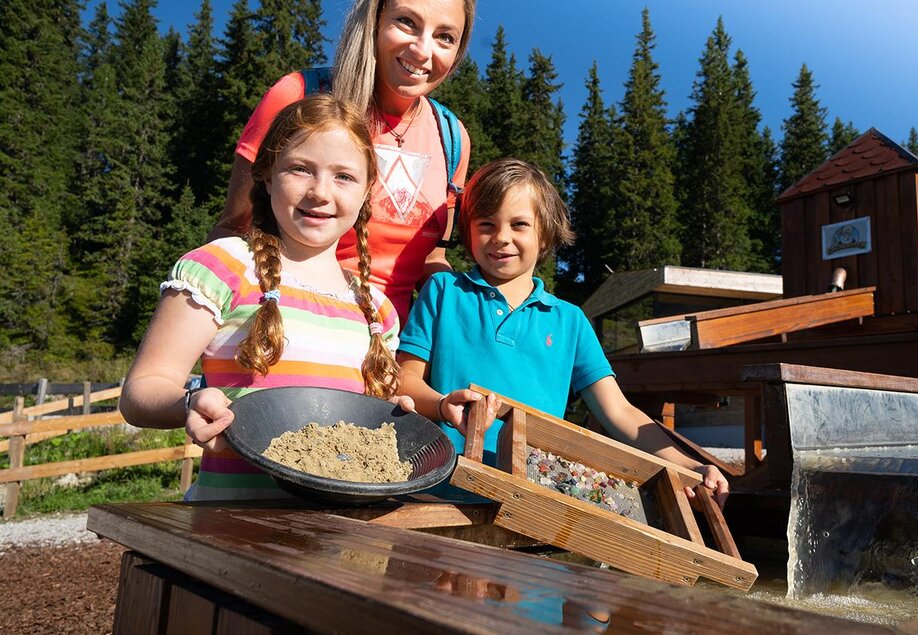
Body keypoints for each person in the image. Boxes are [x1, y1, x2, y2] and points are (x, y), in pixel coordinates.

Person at [120, 95, 422, 501]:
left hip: (339, 539)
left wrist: (391, 416)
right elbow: (141, 390)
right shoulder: (222, 267)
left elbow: (357, 426)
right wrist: (188, 403)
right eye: (300, 169)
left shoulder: (376, 309)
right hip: (232, 532)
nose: (320, 192)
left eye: (344, 177)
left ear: (369, 189)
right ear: (265, 175)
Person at [396, 158, 730, 506]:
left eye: (519, 224)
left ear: (545, 235)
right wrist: (441, 404)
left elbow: (619, 413)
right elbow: (405, 381)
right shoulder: (443, 291)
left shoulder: (570, 321)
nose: (501, 238)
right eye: (486, 224)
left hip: (532, 505)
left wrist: (691, 466)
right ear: (467, 230)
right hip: (440, 490)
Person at [210, 0, 476, 325]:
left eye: (445, 37)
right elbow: (233, 230)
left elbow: (432, 260)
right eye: (407, 21)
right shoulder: (297, 97)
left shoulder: (452, 137)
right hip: (284, 333)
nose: (423, 50)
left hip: (390, 350)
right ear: (374, 20)